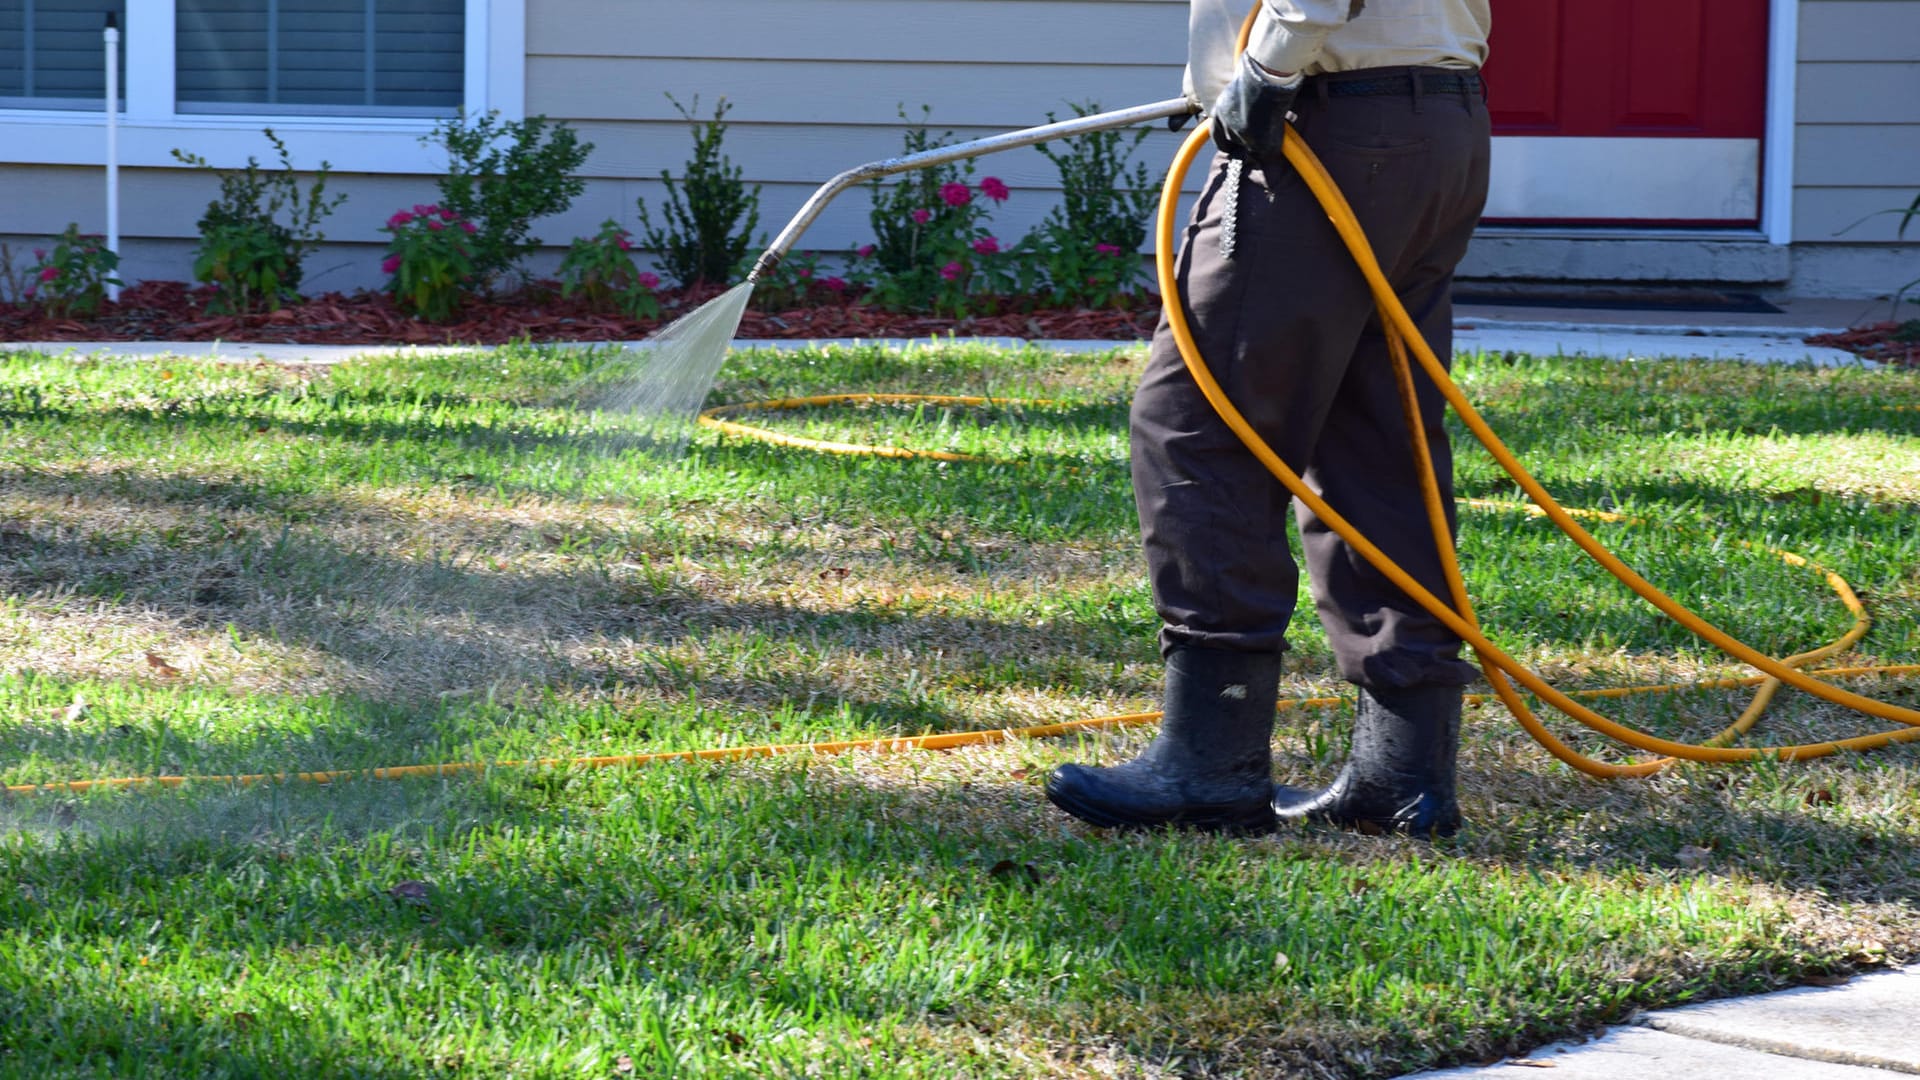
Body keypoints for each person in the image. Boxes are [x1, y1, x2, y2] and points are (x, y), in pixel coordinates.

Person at [1045, 0, 1493, 837]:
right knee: (1375, 440)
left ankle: (1209, 766)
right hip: (1437, 122)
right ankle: (1402, 774)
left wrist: (1268, 66)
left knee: (1197, 427)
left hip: (1327, 128)